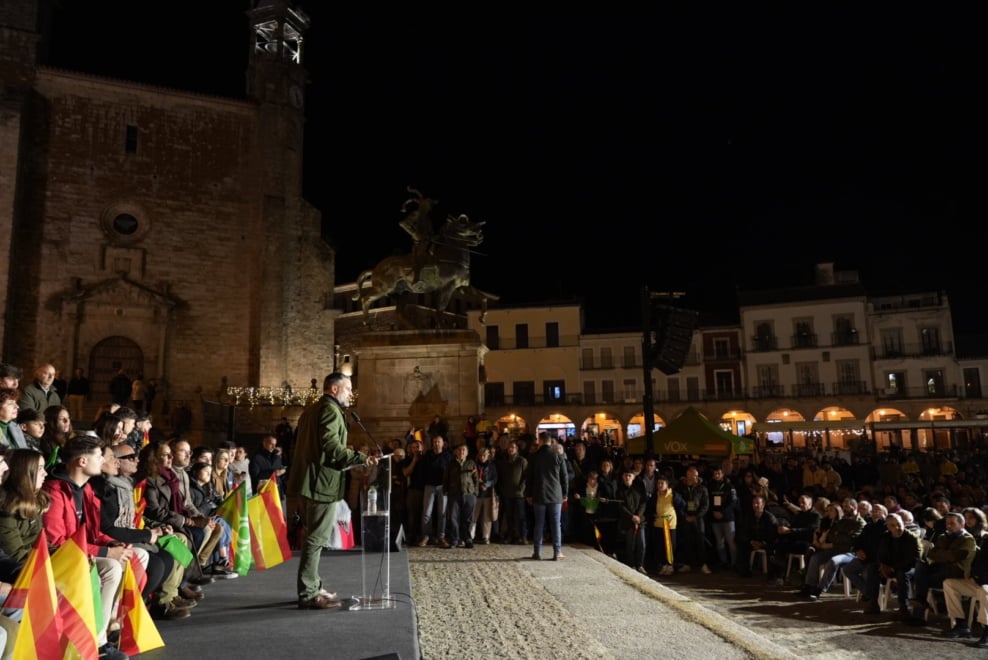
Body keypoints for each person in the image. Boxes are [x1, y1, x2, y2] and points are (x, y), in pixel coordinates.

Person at [42, 437, 139, 660]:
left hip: (81, 553)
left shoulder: (83, 489)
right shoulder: (56, 492)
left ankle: (109, 626)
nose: (103, 460)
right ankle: (97, 642)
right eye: (99, 456)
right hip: (60, 559)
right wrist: (105, 552)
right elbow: (57, 542)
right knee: (111, 568)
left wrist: (110, 543)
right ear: (82, 461)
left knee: (133, 556)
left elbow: (93, 533)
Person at [287, 372, 376, 610]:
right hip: (320, 484)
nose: (350, 394)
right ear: (334, 389)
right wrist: (359, 457)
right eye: (348, 389)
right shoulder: (330, 410)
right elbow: (331, 446)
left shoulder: (311, 410)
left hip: (310, 480)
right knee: (315, 539)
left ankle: (313, 585)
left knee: (312, 537)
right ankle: (308, 593)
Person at [526, 432, 568, 561]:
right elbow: (564, 477)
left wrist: (528, 494)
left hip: (539, 494)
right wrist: (565, 493)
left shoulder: (533, 457)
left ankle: (537, 551)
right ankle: (557, 551)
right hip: (555, 495)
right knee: (556, 523)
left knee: (539, 523)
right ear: (551, 441)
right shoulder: (558, 456)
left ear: (540, 441)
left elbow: (529, 478)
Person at [677, 465, 711, 574]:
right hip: (685, 518)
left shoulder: (702, 488)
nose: (693, 478)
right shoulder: (681, 488)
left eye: (695, 476)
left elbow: (705, 505)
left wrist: (696, 516)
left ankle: (703, 564)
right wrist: (684, 516)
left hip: (698, 518)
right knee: (687, 541)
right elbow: (677, 503)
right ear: (686, 476)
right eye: (691, 476)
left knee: (700, 541)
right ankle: (687, 564)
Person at [443, 443, 478, 548]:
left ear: (467, 452)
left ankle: (467, 539)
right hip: (454, 494)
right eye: (459, 450)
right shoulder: (450, 464)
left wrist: (475, 492)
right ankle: (454, 540)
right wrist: (445, 491)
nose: (461, 452)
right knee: (453, 518)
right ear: (456, 452)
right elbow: (446, 478)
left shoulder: (471, 463)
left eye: (463, 450)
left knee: (467, 518)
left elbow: (476, 479)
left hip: (469, 494)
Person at [615, 469, 647, 573]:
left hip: (639, 521)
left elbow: (643, 503)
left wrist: (638, 515)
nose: (627, 477)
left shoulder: (639, 489)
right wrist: (631, 516)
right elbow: (621, 507)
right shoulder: (620, 490)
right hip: (628, 521)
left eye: (629, 476)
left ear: (633, 477)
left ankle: (640, 564)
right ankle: (631, 564)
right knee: (630, 544)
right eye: (626, 475)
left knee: (641, 544)